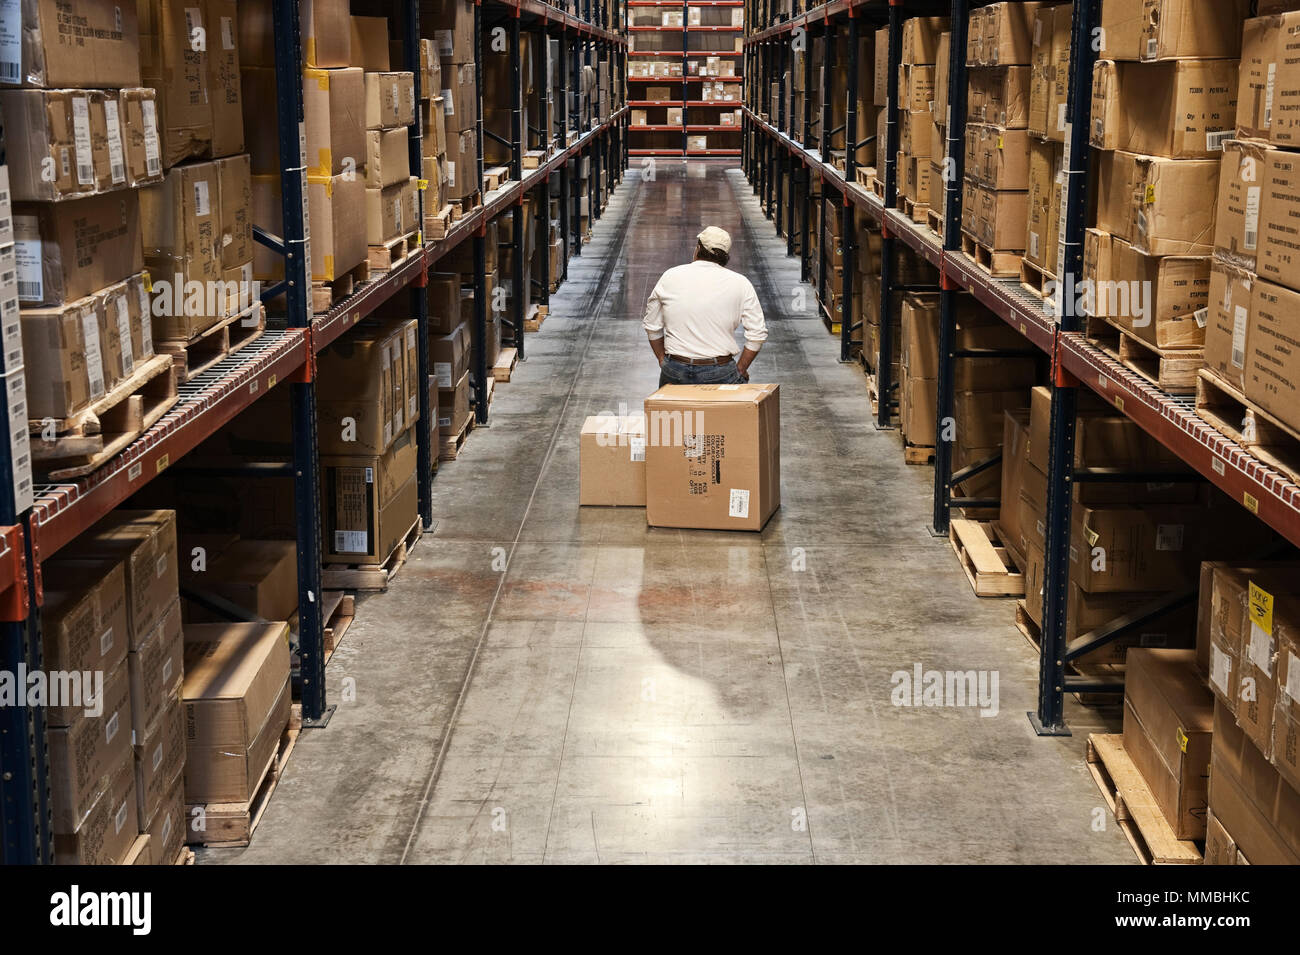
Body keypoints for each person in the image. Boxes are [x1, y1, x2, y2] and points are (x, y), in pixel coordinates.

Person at [642, 226, 767, 387]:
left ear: (698, 249)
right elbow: (757, 335)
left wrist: (662, 360)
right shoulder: (741, 283)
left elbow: (652, 327)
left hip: (675, 369)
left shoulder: (670, 276)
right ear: (725, 256)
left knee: (675, 412)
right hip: (720, 370)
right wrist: (741, 368)